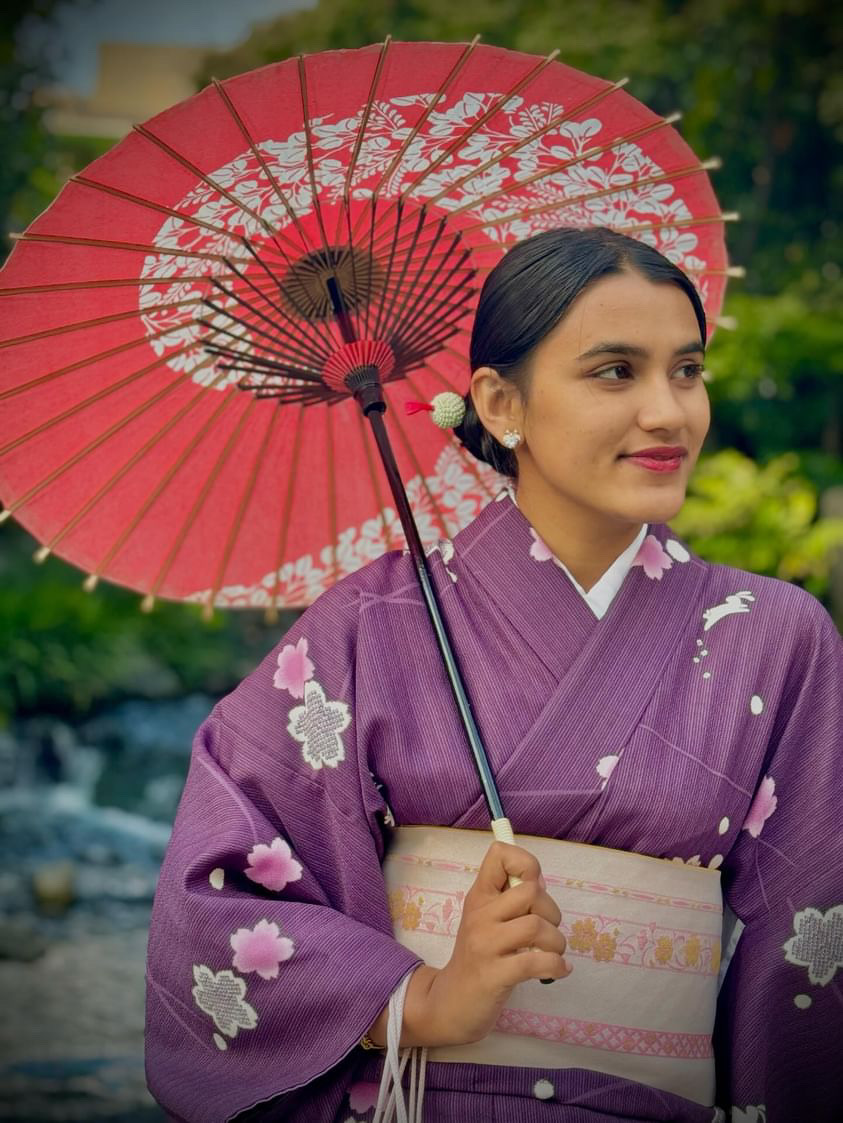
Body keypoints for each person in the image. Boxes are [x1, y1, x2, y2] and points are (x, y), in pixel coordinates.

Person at [145, 227, 842, 1123]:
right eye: (614, 371)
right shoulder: (367, 627)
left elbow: (811, 943)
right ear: (500, 402)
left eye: (686, 370)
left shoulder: (778, 637)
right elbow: (220, 889)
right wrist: (419, 997)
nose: (669, 412)